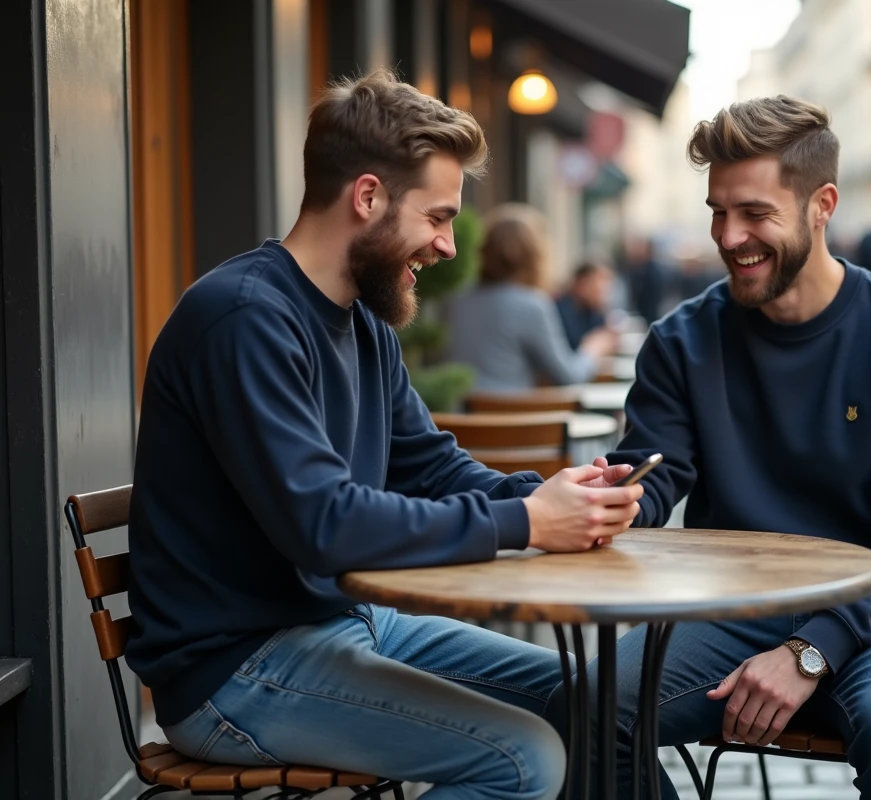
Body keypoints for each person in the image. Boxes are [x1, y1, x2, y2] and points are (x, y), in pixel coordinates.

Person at [126, 69, 645, 799]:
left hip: (347, 624)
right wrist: (524, 520)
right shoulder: (242, 319)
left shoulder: (363, 323)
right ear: (367, 197)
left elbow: (429, 463)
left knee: (600, 698)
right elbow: (324, 525)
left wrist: (552, 497)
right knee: (524, 759)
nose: (446, 247)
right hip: (237, 669)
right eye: (436, 218)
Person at [558, 96, 871, 799]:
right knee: (584, 711)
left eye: (755, 213)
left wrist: (811, 649)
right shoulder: (681, 341)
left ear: (823, 205)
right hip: (730, 610)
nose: (730, 236)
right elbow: (658, 473)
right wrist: (620, 495)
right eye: (718, 211)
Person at [445, 204, 616, 392]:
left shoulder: (458, 298)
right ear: (535, 256)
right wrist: (592, 349)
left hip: (462, 416)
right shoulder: (532, 305)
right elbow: (568, 375)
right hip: (515, 417)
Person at [556, 260, 614, 350]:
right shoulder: (560, 311)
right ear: (583, 284)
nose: (604, 288)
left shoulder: (591, 310)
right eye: (598, 291)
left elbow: (604, 336)